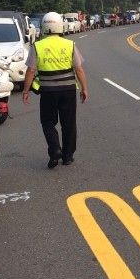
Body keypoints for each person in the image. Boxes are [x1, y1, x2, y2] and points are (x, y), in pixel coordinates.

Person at [21, 12, 88, 168]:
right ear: (60, 26)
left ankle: (55, 149)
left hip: (48, 91)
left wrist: (25, 91)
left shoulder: (37, 46)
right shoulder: (69, 44)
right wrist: (84, 88)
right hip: (68, 90)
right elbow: (79, 69)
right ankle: (67, 156)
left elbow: (30, 71)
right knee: (69, 123)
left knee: (48, 122)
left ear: (44, 26)